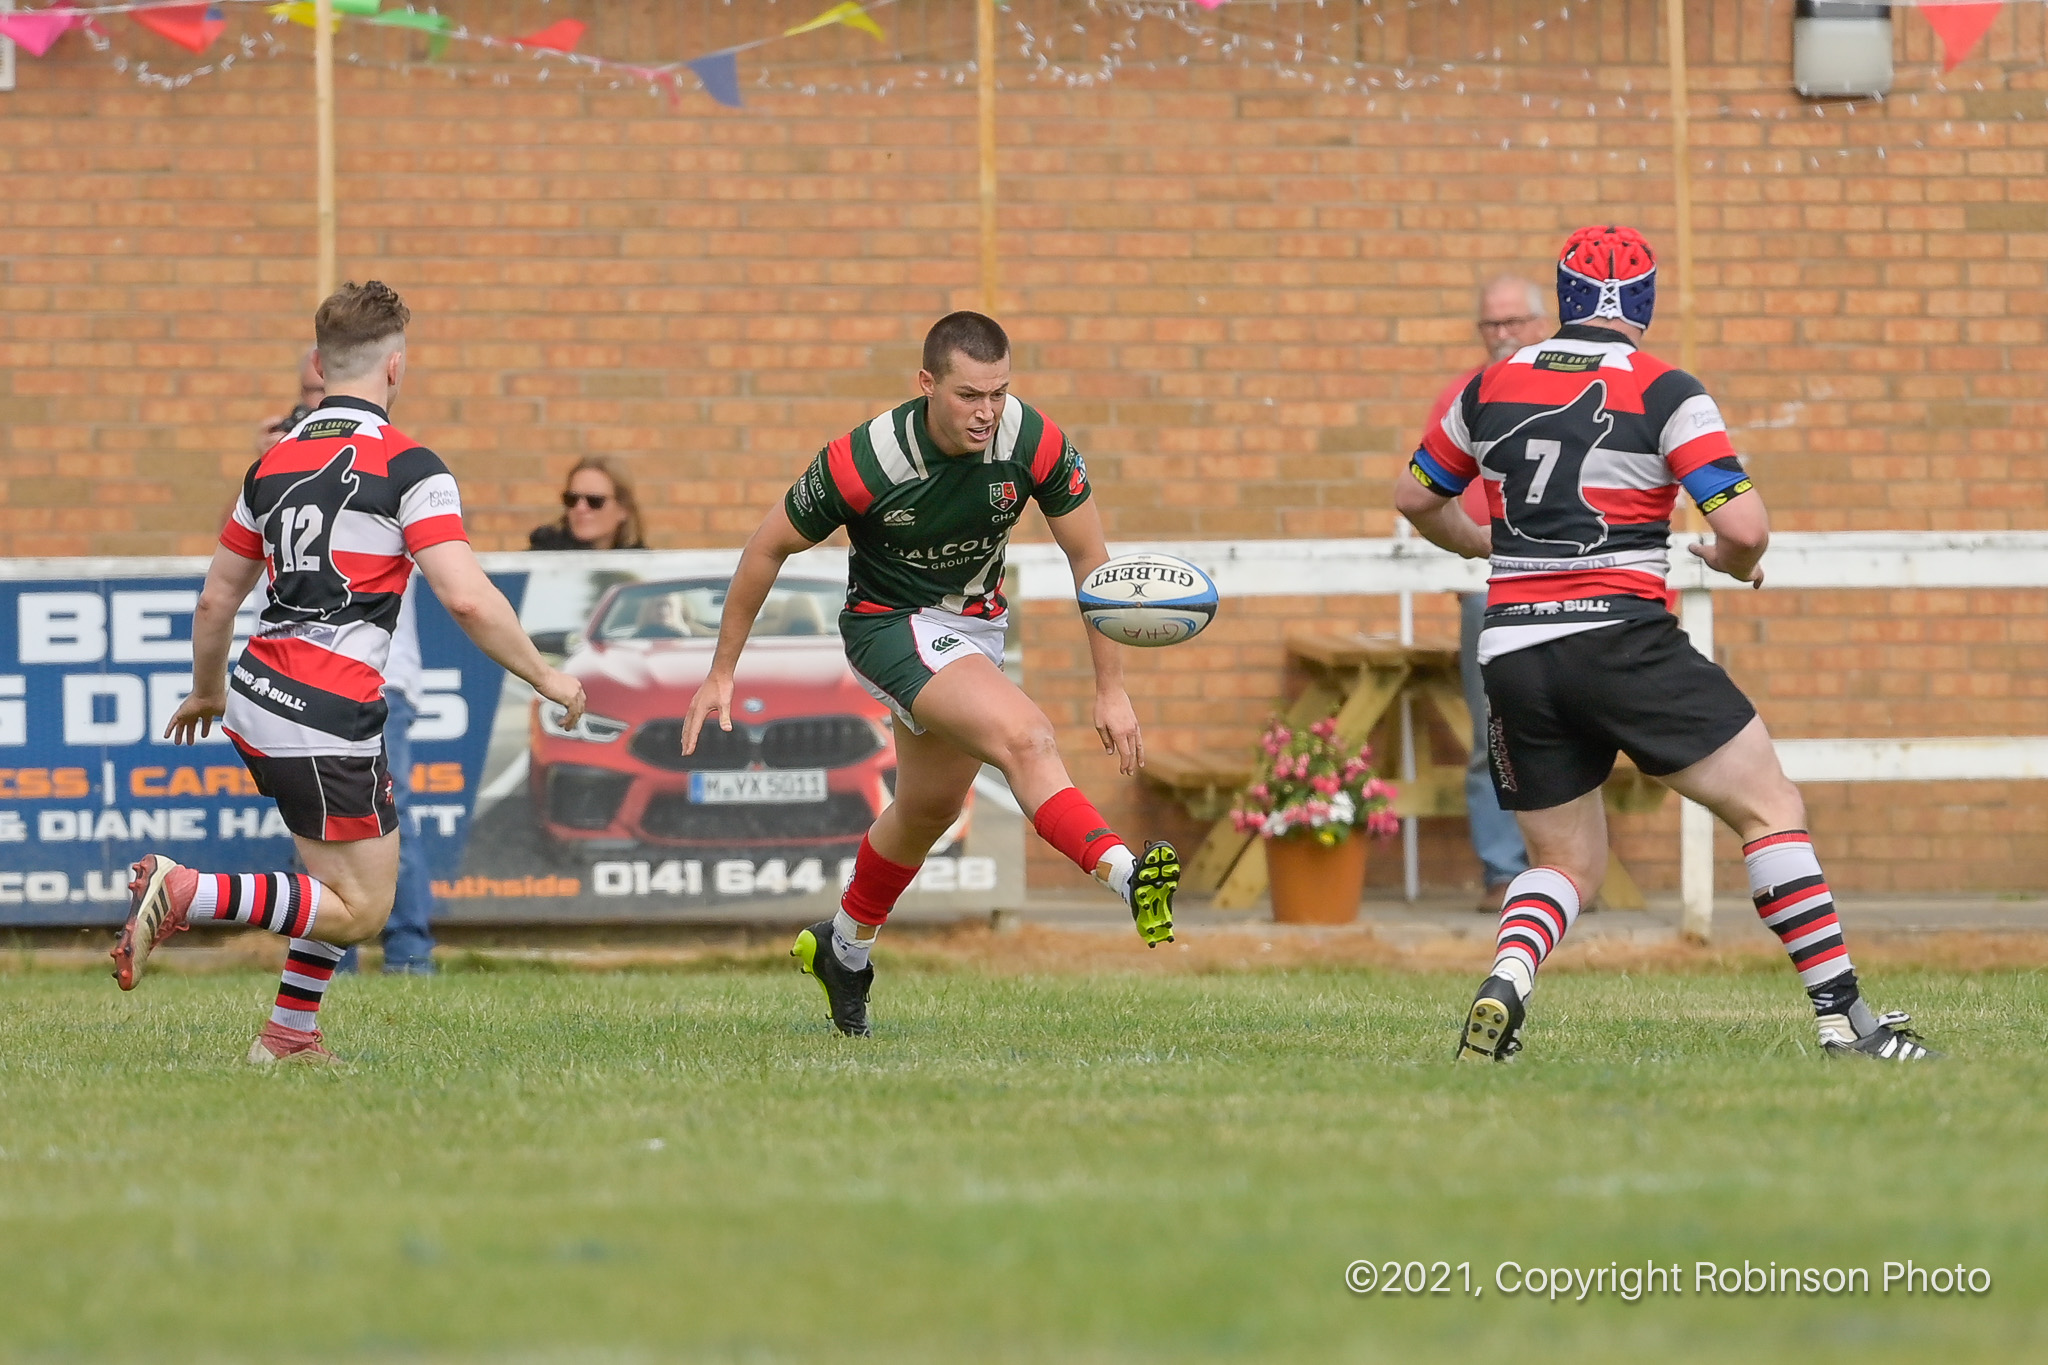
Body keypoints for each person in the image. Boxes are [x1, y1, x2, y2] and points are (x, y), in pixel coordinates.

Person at [1394, 225, 1940, 1064]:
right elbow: (1746, 526)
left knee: (1565, 862)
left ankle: (1507, 979)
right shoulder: (1665, 390)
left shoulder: (1488, 384)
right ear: (1644, 302)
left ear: (1563, 298)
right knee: (1769, 806)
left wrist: (1481, 544)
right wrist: (1729, 559)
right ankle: (1844, 1020)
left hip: (1513, 651)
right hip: (1621, 636)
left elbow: (1416, 497)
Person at [111, 281, 586, 1062]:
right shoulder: (409, 465)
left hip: (258, 694)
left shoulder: (268, 467)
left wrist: (208, 688)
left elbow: (214, 601)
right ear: (394, 367)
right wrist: (548, 676)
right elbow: (465, 597)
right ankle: (188, 889)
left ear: (320, 365)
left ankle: (291, 1034)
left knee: (332, 878)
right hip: (328, 706)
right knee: (363, 908)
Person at [680, 311, 1180, 1037]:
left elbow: (1091, 561)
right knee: (1027, 738)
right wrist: (722, 669)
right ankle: (1128, 875)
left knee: (926, 811)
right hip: (889, 624)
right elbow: (766, 548)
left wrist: (1113, 686)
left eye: (999, 393)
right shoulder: (868, 459)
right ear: (927, 384)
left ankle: (843, 949)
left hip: (973, 626)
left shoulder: (1031, 440)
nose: (987, 413)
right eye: (969, 395)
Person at [260, 348, 438, 975]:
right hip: (306, 677)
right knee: (320, 853)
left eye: (320, 391)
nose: (315, 405)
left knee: (388, 834)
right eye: (307, 393)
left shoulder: (387, 464)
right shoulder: (279, 469)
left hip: (370, 678)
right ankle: (191, 893)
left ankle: (406, 959)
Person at [1427, 276, 1549, 912]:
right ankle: (1503, 873)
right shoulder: (1465, 397)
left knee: (1570, 729)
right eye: (1490, 325)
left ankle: (1562, 872)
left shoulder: (1577, 388)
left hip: (1572, 587)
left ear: (1541, 322)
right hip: (1488, 588)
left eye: (1512, 323)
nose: (1501, 336)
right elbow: (1437, 495)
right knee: (1491, 735)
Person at [528, 456, 648, 550]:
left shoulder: (645, 570)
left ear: (623, 509)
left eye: (595, 501)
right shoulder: (538, 562)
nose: (580, 508)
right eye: (572, 499)